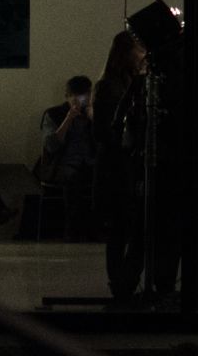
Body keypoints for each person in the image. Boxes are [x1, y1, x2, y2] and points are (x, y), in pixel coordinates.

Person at [92, 30, 154, 299]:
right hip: (118, 168)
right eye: (138, 50)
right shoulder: (111, 87)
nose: (142, 55)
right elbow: (106, 132)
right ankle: (122, 282)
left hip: (122, 165)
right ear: (126, 54)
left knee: (125, 229)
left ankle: (123, 282)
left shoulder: (118, 84)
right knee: (123, 228)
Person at [36, 74, 99, 238]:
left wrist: (94, 120)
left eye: (85, 96)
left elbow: (104, 142)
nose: (80, 101)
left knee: (107, 175)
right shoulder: (53, 114)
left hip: (90, 163)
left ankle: (100, 229)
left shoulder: (93, 114)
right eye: (75, 97)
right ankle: (73, 231)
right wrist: (69, 118)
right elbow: (51, 145)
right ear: (68, 97)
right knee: (73, 179)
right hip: (62, 164)